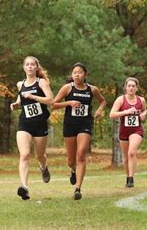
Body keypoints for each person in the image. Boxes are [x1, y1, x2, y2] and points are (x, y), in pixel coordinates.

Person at [52, 63, 106, 200]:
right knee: (71, 160)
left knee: (81, 154)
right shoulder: (67, 88)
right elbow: (53, 105)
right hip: (70, 125)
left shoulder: (92, 90)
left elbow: (103, 101)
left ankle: (77, 188)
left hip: (85, 124)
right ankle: (73, 170)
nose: (77, 74)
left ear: (85, 74)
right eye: (74, 72)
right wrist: (68, 103)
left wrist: (99, 110)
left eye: (80, 72)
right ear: (72, 74)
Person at [10, 56, 54, 200]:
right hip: (25, 123)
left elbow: (50, 100)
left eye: (32, 65)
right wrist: (16, 104)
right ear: (24, 67)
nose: (29, 67)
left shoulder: (41, 83)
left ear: (36, 67)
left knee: (39, 155)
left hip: (40, 124)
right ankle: (25, 187)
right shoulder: (20, 84)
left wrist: (34, 97)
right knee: (24, 155)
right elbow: (21, 99)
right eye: (27, 64)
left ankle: (43, 166)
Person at [109, 77, 147, 188]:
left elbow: (144, 110)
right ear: (125, 87)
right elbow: (112, 114)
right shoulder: (120, 100)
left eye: (133, 86)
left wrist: (144, 114)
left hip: (137, 130)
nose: (131, 88)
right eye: (129, 86)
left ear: (137, 88)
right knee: (126, 157)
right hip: (124, 130)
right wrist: (125, 112)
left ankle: (131, 178)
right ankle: (127, 177)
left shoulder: (141, 100)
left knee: (132, 152)